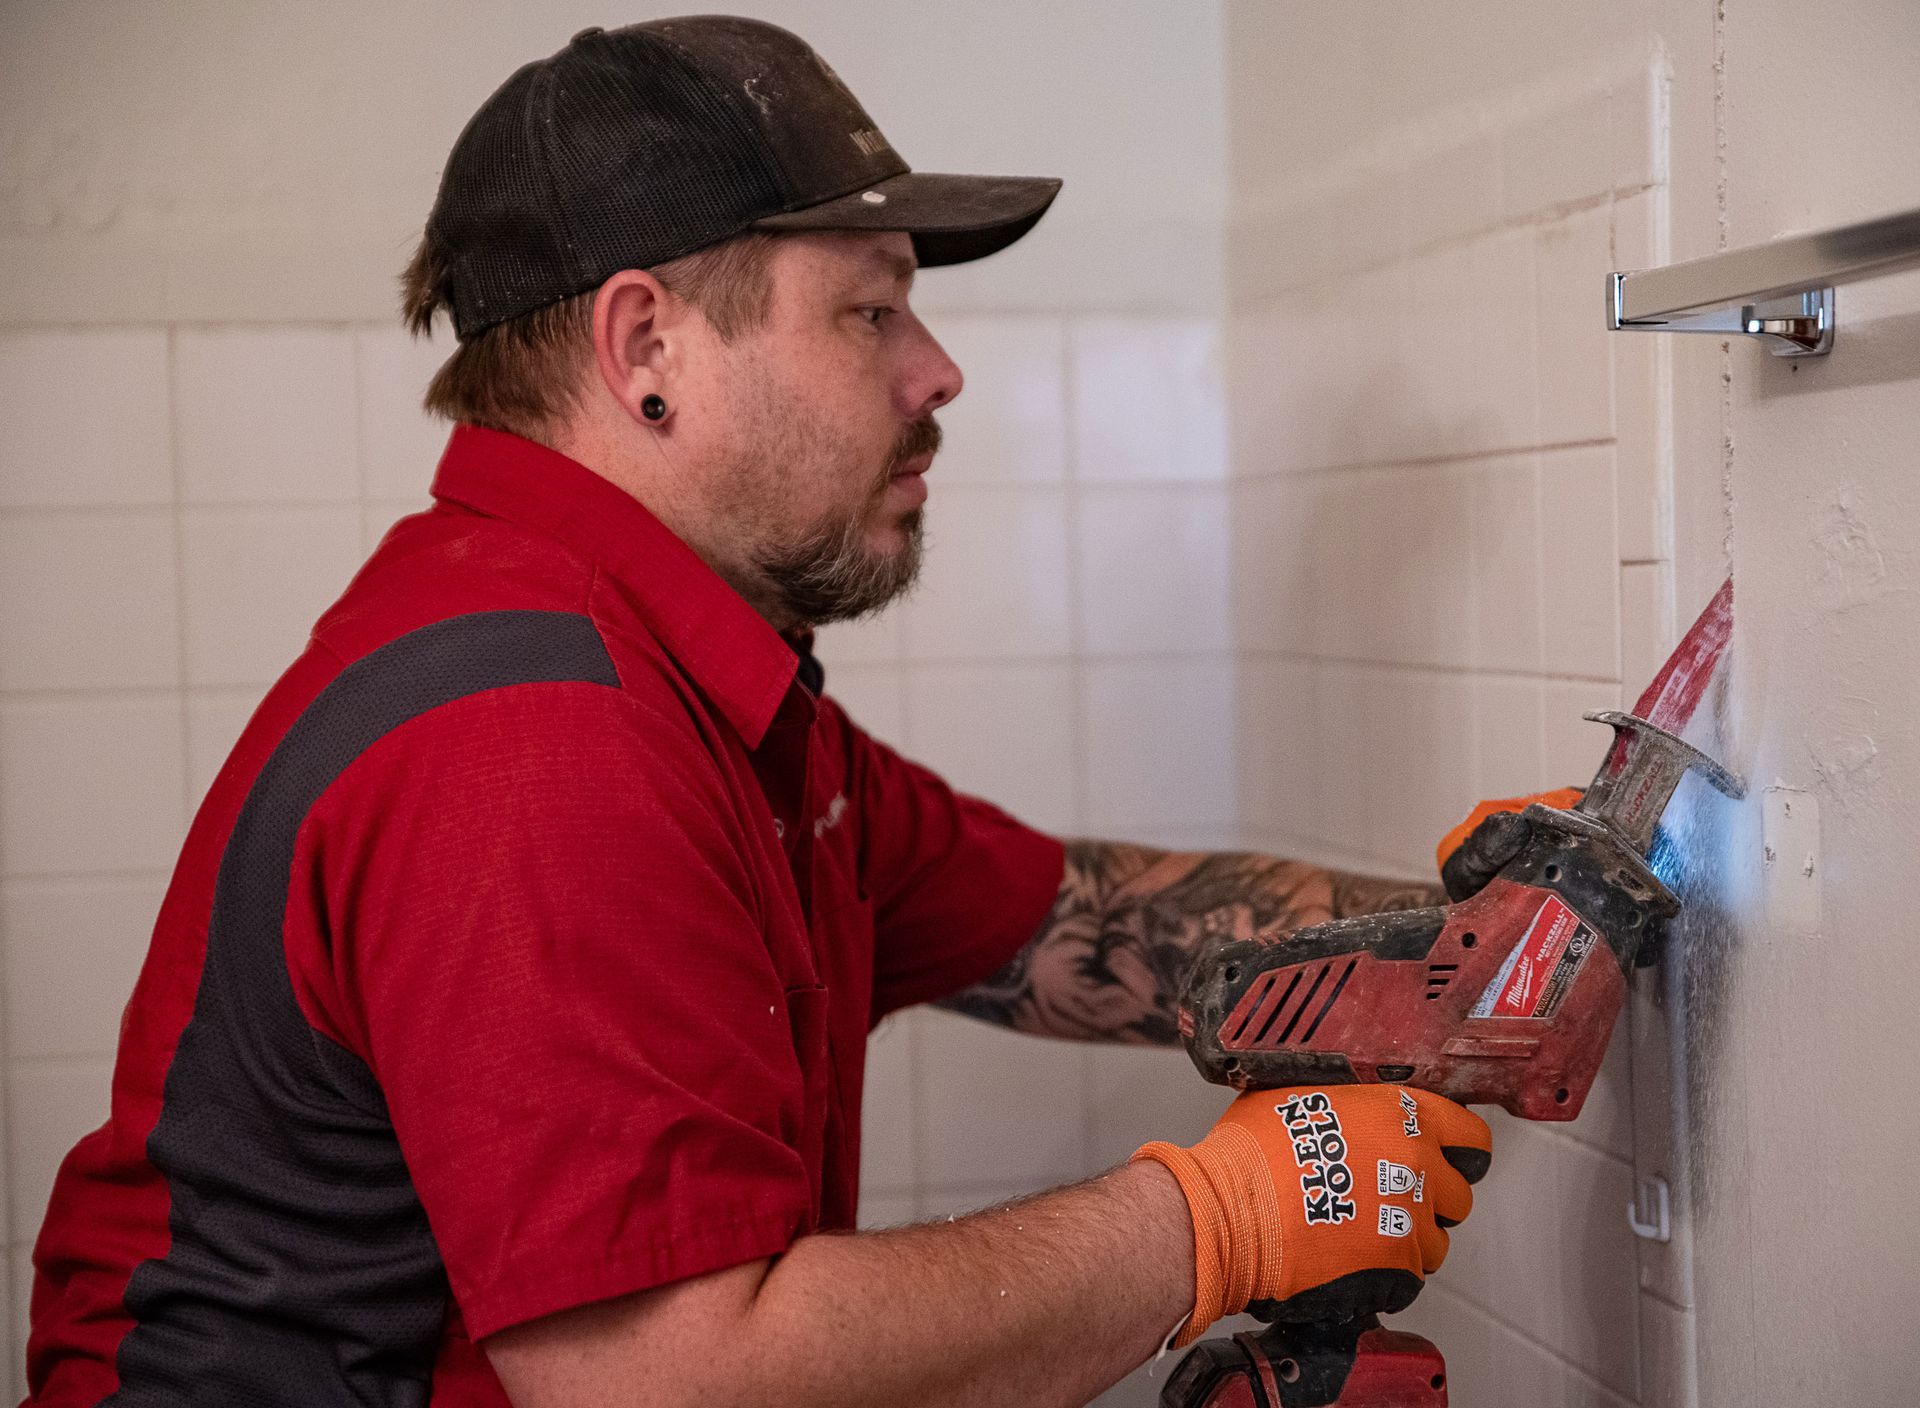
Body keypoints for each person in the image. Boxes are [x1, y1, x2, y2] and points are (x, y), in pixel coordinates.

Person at [23, 18, 1498, 1408]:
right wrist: (1221, 1217)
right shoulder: (539, 730)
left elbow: (1076, 924)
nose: (938, 370)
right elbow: (667, 1380)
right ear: (646, 347)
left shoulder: (684, 680)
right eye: (870, 309)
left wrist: (1482, 942)